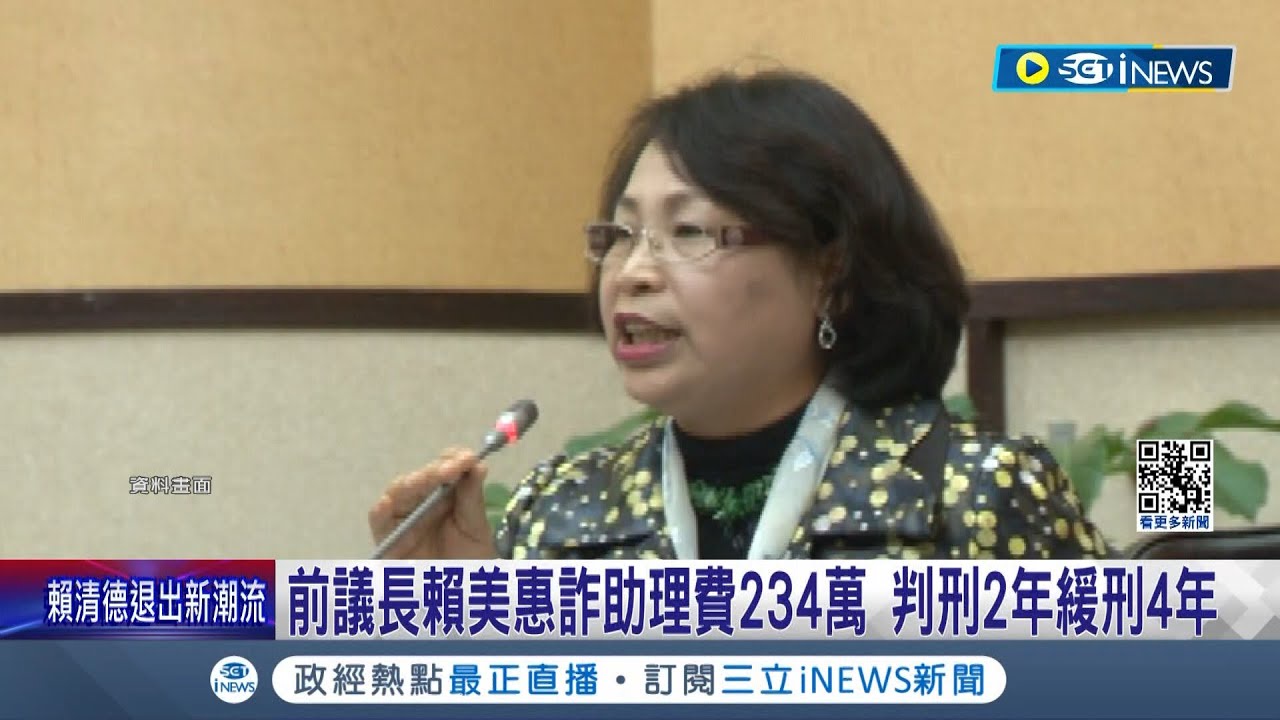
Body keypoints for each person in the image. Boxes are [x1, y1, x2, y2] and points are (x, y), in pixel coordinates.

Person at [368, 68, 1114, 561]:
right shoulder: (559, 512)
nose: (632, 272)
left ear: (830, 271)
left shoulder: (976, 495)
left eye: (688, 232)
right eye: (620, 235)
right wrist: (456, 621)